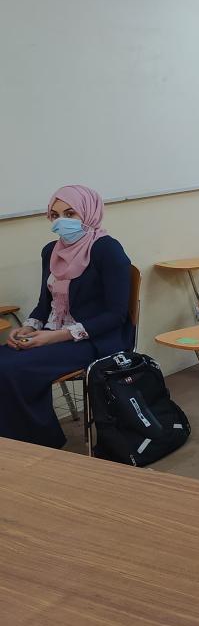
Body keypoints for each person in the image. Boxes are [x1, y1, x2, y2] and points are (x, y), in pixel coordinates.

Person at [0, 185, 133, 449]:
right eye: (55, 215)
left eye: (70, 214)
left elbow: (116, 315)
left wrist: (54, 337)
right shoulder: (50, 251)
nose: (61, 221)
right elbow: (44, 304)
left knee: (13, 369)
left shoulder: (108, 249)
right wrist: (28, 327)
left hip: (95, 340)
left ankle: (40, 444)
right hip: (54, 333)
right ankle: (11, 441)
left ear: (89, 212)